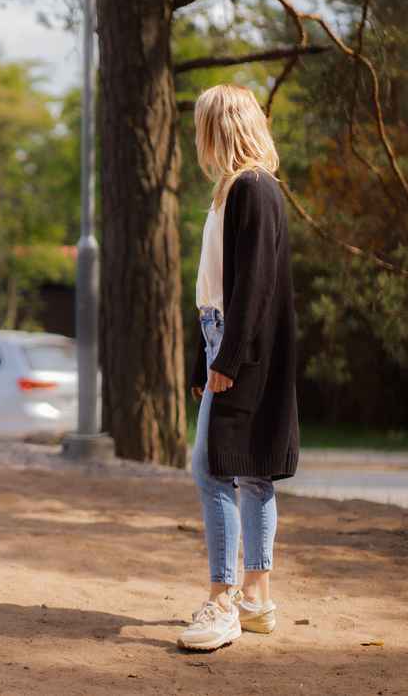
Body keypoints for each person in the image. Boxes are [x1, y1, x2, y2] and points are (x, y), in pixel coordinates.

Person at [177, 84, 299, 652]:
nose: (196, 137)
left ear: (219, 128)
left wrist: (225, 358)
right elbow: (218, 281)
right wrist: (203, 356)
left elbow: (253, 286)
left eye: (203, 125)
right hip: (224, 337)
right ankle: (257, 597)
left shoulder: (252, 188)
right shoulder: (238, 189)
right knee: (248, 470)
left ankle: (224, 600)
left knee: (214, 469)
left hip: (237, 342)